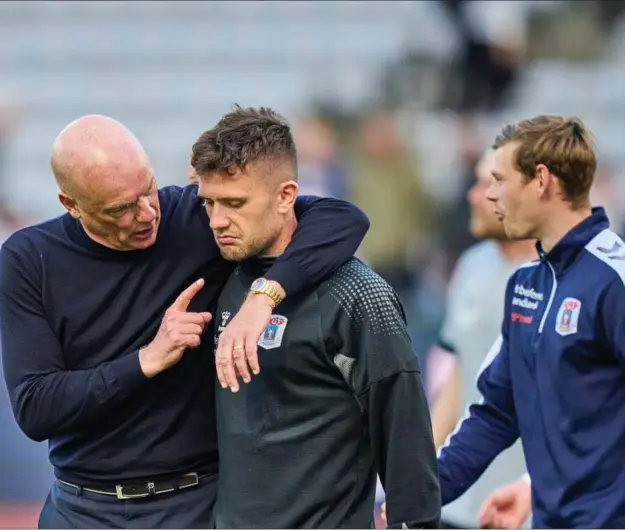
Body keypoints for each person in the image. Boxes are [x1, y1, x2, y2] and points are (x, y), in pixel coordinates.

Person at [0, 113, 370, 529]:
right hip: (83, 508)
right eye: (121, 208)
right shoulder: (28, 260)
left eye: (148, 189)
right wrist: (145, 360)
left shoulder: (192, 217)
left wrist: (263, 297)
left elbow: (342, 219)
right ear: (71, 204)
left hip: (195, 503)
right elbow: (35, 407)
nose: (146, 214)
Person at [190, 106, 441, 529]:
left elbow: (405, 442)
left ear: (286, 196)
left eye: (234, 203)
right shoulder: (218, 273)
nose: (216, 220)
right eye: (208, 202)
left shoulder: (358, 295)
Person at [437, 114, 625, 528]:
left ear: (541, 180)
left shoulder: (615, 281)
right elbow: (495, 412)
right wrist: (418, 494)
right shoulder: (527, 284)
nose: (491, 195)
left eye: (500, 180)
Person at [379, 149, 535, 529]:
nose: (474, 194)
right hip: (457, 501)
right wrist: (421, 469)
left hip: (524, 505)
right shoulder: (472, 266)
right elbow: (459, 376)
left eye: (489, 183)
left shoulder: (558, 281)